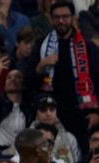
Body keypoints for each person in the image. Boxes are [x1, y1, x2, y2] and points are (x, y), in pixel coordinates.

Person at [28, 1, 99, 154]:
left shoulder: (88, 47)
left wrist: (95, 112)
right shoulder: (41, 46)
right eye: (57, 17)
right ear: (51, 19)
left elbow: (97, 81)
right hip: (51, 113)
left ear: (73, 18)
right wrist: (41, 66)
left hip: (82, 116)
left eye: (65, 17)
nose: (61, 21)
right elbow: (29, 82)